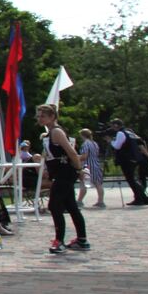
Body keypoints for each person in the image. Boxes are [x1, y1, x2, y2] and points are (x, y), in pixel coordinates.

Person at [36, 104, 89, 253]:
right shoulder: (49, 134)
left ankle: (59, 240)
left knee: (54, 206)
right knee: (71, 206)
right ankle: (82, 239)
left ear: (52, 117)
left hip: (65, 173)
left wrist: (79, 169)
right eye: (38, 116)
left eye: (43, 116)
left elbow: (71, 153)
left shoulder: (57, 132)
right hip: (58, 173)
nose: (39, 119)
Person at [107, 119, 148, 206]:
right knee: (133, 179)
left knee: (131, 180)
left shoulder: (120, 133)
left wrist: (110, 141)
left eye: (112, 125)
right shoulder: (128, 132)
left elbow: (117, 146)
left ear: (116, 125)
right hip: (134, 158)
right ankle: (144, 198)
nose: (111, 128)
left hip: (126, 159)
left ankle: (139, 199)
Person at [77, 128, 106, 208]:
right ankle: (101, 201)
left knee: (83, 184)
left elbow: (84, 156)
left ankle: (79, 201)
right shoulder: (94, 143)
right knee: (98, 184)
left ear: (82, 135)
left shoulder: (85, 144)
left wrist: (76, 157)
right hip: (96, 164)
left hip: (87, 166)